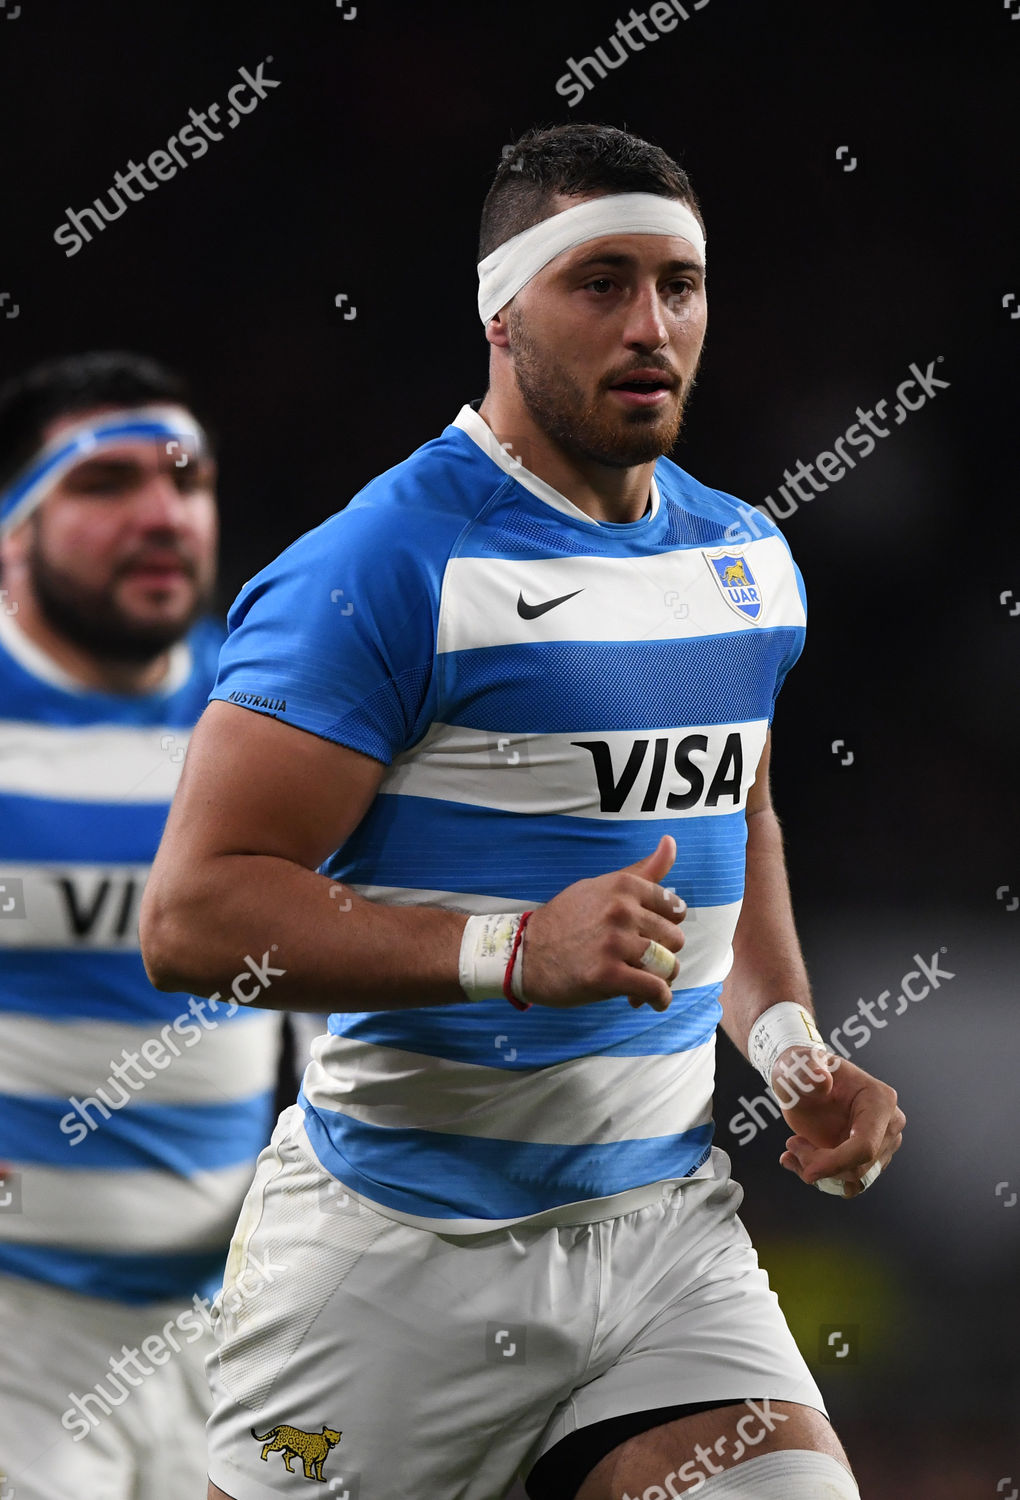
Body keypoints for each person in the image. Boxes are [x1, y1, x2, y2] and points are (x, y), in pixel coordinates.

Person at [140, 124, 905, 1500]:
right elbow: (193, 917)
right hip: (393, 1255)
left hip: (665, 1236)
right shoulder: (380, 567)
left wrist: (790, 1047)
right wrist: (511, 950)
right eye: (599, 283)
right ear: (502, 309)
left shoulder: (745, 557)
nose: (651, 324)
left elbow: (742, 809)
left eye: (680, 285)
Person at [0, 352, 283, 1500]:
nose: (163, 512)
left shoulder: (270, 727)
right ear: (13, 528)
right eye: (107, 483)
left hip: (240, 1342)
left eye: (186, 477)